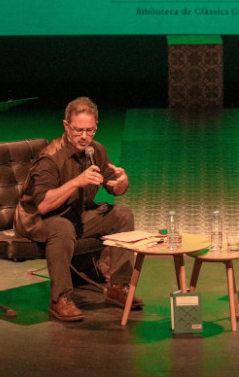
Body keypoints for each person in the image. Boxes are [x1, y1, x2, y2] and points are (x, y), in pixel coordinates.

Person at [14, 97, 143, 322]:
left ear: (96, 127)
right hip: (38, 219)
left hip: (75, 214)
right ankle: (60, 299)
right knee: (62, 228)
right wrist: (76, 182)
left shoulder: (96, 151)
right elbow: (43, 205)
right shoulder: (49, 158)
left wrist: (122, 182)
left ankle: (117, 286)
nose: (84, 136)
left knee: (123, 215)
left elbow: (113, 185)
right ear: (66, 126)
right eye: (78, 130)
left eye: (89, 130)